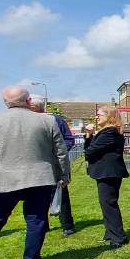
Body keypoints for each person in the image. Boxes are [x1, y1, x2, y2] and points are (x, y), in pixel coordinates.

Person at [0, 86, 69, 259]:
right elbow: (60, 152)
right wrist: (64, 176)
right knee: (36, 221)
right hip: (39, 178)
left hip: (3, 179)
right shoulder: (47, 121)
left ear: (6, 102)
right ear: (28, 100)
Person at [83, 105, 129, 248]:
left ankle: (118, 237)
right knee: (106, 203)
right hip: (107, 173)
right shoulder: (108, 132)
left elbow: (89, 152)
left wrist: (89, 136)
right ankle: (110, 233)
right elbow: (90, 150)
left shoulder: (109, 132)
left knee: (109, 204)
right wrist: (90, 136)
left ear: (109, 117)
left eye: (99, 115)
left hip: (109, 173)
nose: (97, 117)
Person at [29, 95, 77, 235]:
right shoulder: (27, 121)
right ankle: (42, 226)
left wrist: (58, 153)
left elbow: (69, 139)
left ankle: (67, 226)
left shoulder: (56, 120)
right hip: (36, 165)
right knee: (37, 196)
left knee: (61, 194)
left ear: (36, 107)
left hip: (56, 164)